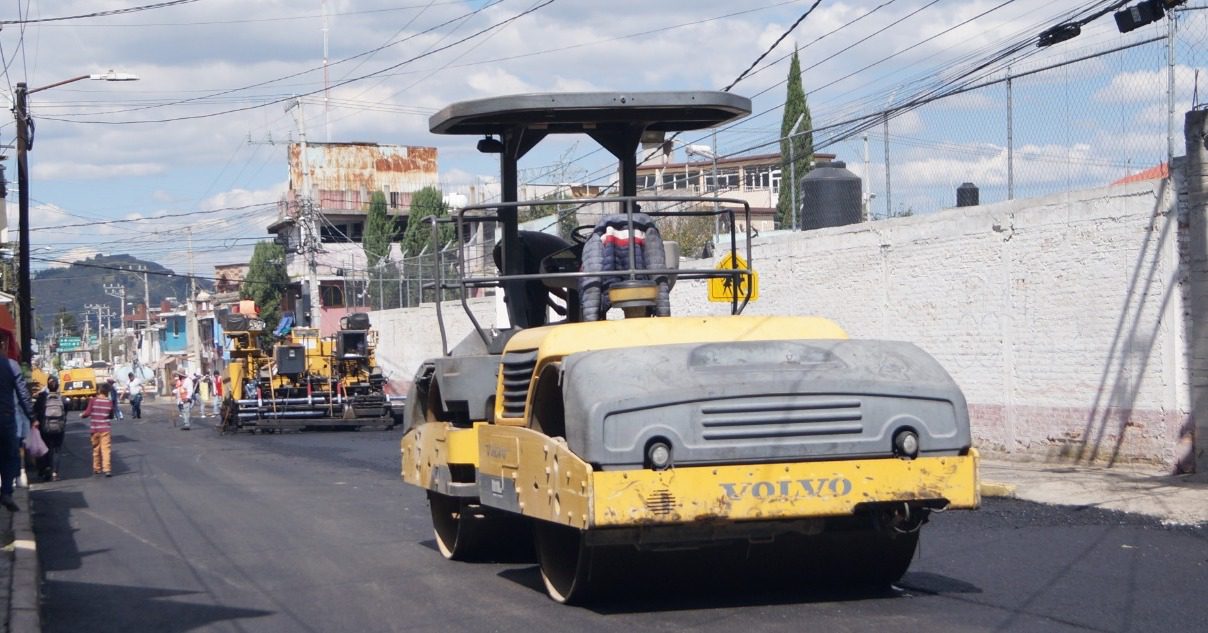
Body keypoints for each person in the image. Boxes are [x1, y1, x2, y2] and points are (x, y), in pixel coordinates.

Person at [0, 348, 35, 511]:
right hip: (6, 417)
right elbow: (23, 394)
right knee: (11, 455)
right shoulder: (12, 366)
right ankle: (6, 491)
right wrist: (32, 416)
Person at [33, 376, 67, 482]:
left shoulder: (42, 398)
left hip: (45, 427)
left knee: (46, 448)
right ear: (57, 386)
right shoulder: (62, 399)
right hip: (59, 428)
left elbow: (35, 411)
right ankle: (55, 473)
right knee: (57, 450)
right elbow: (66, 412)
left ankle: (46, 468)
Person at [82, 382, 114, 477]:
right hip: (105, 429)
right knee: (106, 449)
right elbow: (111, 415)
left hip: (95, 429)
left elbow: (87, 413)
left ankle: (97, 468)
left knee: (96, 449)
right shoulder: (109, 402)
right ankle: (107, 469)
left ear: (98, 391)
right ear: (107, 392)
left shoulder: (93, 400)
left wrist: (82, 415)